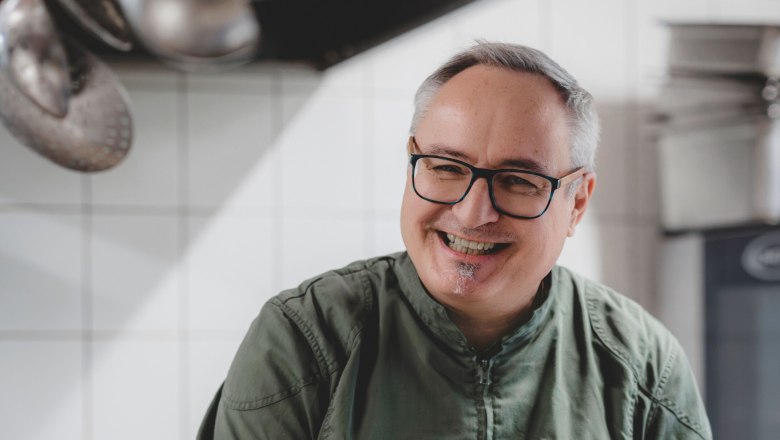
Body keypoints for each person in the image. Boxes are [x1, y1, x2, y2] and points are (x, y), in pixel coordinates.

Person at [198, 42, 712, 439]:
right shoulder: (306, 338)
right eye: (445, 167)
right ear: (411, 164)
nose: (472, 213)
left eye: (517, 180)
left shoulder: (644, 366)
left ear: (577, 202)